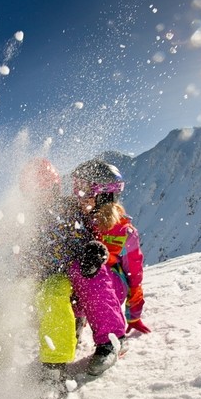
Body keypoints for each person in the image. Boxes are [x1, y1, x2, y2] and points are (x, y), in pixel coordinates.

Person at [68, 159, 150, 375]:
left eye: (84, 189)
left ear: (103, 194)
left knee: (91, 271)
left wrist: (134, 313)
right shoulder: (78, 220)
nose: (78, 195)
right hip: (84, 280)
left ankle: (111, 341)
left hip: (112, 285)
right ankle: (73, 325)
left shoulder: (124, 232)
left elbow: (134, 274)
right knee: (69, 275)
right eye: (76, 187)